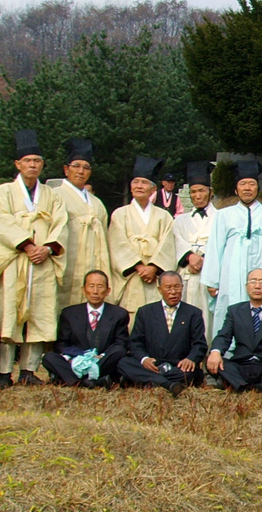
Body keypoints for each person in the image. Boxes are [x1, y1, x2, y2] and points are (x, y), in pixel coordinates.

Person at [0, 130, 67, 385]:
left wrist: (47, 249)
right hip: (15, 260)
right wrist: (27, 246)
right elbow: (3, 221)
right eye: (27, 161)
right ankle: (4, 372)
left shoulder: (52, 195)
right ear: (17, 164)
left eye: (37, 161)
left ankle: (29, 371)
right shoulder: (5, 191)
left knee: (39, 314)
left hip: (42, 262)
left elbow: (61, 224)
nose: (32, 165)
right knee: (9, 314)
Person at [201, 159, 262, 343]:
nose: (247, 188)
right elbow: (215, 248)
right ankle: (228, 352)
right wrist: (212, 280)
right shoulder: (223, 215)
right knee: (230, 309)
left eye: (251, 184)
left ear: (258, 188)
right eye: (243, 184)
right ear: (236, 189)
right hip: (231, 274)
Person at [107, 155, 175, 320]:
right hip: (132, 276)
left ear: (153, 189)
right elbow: (117, 244)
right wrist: (138, 267)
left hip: (154, 276)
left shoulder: (164, 216)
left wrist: (153, 268)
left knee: (155, 317)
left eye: (144, 182)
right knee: (129, 318)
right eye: (135, 182)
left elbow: (168, 246)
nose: (139, 186)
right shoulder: (120, 214)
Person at [117, 271, 206, 394]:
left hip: (178, 366)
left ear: (182, 287)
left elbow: (199, 344)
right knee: (123, 363)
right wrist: (144, 359)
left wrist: (190, 359)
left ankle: (145, 380)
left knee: (190, 373)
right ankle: (167, 384)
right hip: (152, 365)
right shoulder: (145, 312)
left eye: (177, 287)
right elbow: (135, 343)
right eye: (168, 287)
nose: (173, 292)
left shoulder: (193, 313)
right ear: (159, 289)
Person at [206, 268, 262, 392]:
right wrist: (216, 352)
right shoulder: (234, 311)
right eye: (253, 281)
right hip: (240, 364)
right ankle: (257, 386)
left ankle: (235, 383)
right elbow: (224, 335)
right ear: (246, 286)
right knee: (214, 362)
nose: (257, 286)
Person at [43, 269, 129, 388]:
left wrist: (101, 356)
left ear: (107, 291)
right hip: (77, 360)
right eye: (91, 286)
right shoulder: (69, 313)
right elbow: (61, 344)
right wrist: (79, 356)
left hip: (102, 361)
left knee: (119, 351)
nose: (95, 291)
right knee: (49, 357)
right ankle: (89, 382)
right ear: (83, 290)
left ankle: (73, 380)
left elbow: (121, 343)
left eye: (100, 287)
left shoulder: (119, 314)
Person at [55, 137, 112, 312]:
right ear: (66, 169)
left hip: (93, 263)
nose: (81, 171)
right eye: (76, 166)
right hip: (68, 263)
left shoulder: (97, 203)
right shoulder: (54, 195)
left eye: (86, 167)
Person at [173, 161, 215, 343]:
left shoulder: (221, 217)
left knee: (207, 318)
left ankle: (206, 353)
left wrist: (202, 257)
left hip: (208, 275)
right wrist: (189, 257)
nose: (198, 196)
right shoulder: (179, 220)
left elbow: (220, 242)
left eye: (202, 191)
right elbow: (176, 241)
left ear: (210, 192)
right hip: (186, 274)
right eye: (193, 192)